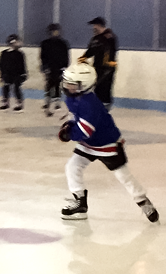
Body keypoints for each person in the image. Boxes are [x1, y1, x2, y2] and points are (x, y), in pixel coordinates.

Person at [57, 63, 159, 223]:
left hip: (107, 145)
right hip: (88, 144)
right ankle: (80, 203)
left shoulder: (89, 104)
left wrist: (70, 133)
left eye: (72, 84)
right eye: (67, 82)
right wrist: (70, 125)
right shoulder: (73, 97)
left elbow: (84, 131)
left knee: (123, 175)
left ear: (84, 85)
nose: (67, 86)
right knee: (72, 166)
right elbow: (77, 119)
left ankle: (142, 200)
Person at [79, 17, 117, 110]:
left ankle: (105, 110)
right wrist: (82, 58)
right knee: (97, 90)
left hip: (107, 69)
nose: (93, 28)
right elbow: (91, 51)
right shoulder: (96, 38)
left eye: (95, 25)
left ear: (99, 25)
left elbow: (109, 52)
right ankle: (98, 110)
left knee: (105, 90)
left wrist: (108, 67)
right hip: (97, 68)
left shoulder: (109, 37)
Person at [39, 23, 70, 117]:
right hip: (49, 67)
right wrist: (45, 67)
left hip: (59, 67)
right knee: (49, 84)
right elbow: (42, 56)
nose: (55, 33)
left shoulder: (63, 43)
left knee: (57, 83)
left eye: (56, 31)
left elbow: (66, 56)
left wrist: (64, 67)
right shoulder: (45, 43)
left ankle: (57, 101)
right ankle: (47, 101)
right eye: (53, 31)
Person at [0, 34, 27, 112]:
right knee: (5, 87)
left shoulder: (20, 54)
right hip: (7, 74)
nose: (18, 43)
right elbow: (1, 64)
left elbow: (22, 65)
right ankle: (5, 103)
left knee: (16, 88)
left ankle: (19, 103)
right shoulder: (4, 53)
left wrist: (23, 74)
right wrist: (1, 74)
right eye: (16, 42)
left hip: (17, 74)